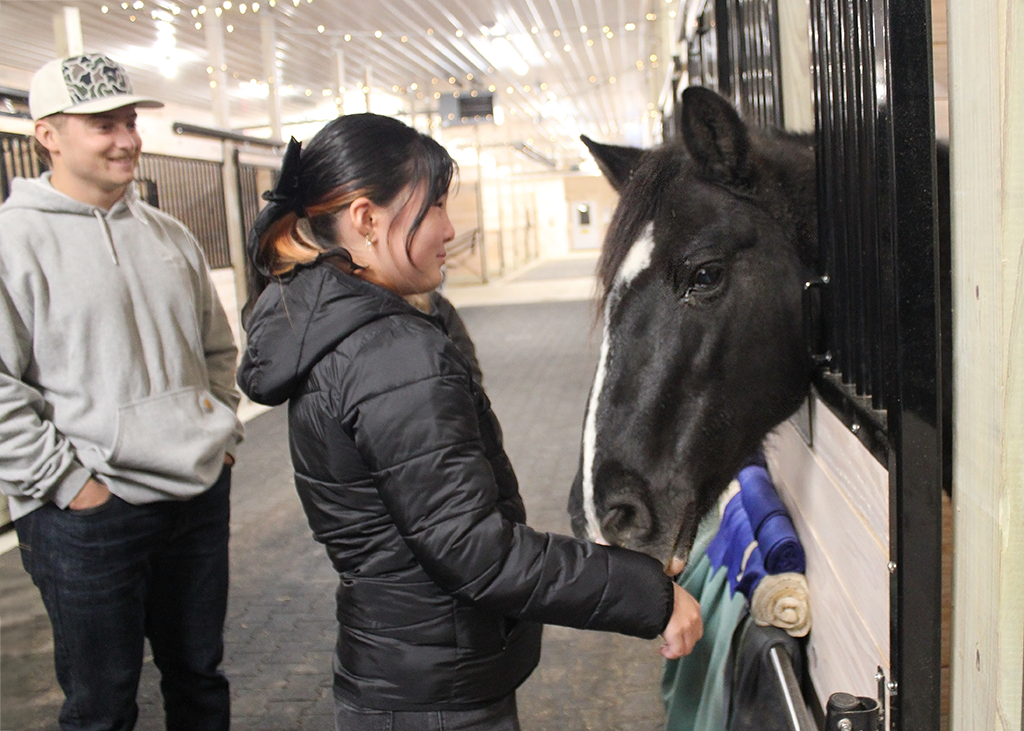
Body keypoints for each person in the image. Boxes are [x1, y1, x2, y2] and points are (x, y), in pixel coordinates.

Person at [236, 113, 703, 731]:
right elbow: (476, 551)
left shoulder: (327, 328)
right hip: (435, 698)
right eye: (432, 208)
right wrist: (648, 596)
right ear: (367, 219)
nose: (449, 229)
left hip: (400, 672)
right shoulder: (387, 352)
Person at [0, 54, 243, 731]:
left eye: (130, 121)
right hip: (87, 513)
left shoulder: (170, 235)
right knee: (102, 702)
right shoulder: (12, 243)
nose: (127, 139)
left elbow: (217, 348)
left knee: (200, 678)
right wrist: (70, 484)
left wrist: (219, 432)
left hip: (196, 495)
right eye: (103, 124)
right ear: (48, 134)